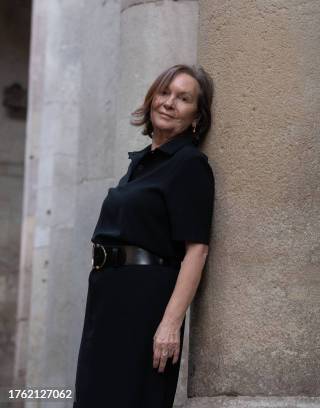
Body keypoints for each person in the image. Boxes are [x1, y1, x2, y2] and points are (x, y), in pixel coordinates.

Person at [73, 64, 215, 408]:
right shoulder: (139, 165)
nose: (169, 103)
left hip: (145, 304)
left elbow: (196, 251)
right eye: (164, 93)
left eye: (183, 99)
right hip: (107, 298)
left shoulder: (189, 164)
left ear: (196, 117)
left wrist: (170, 324)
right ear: (151, 99)